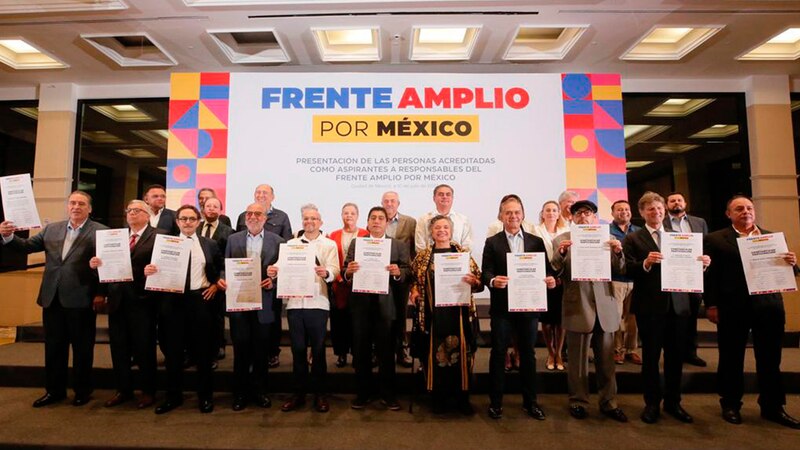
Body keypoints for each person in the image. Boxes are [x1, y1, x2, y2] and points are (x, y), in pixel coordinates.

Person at [0, 191, 108, 407]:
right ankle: (54, 391)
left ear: (90, 208)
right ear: (67, 206)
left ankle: (82, 390)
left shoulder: (101, 232)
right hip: (52, 298)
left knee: (82, 349)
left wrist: (101, 292)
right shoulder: (52, 228)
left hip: (82, 299)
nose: (76, 207)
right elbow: (27, 247)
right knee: (54, 348)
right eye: (72, 203)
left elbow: (109, 265)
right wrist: (8, 236)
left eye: (81, 203)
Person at [704, 195, 800, 429]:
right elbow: (710, 275)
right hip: (732, 308)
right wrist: (712, 305)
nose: (745, 211)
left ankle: (773, 406)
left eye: (748, 207)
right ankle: (730, 404)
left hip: (769, 307)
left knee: (770, 359)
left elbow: (788, 270)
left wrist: (793, 263)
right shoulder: (715, 239)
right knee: (731, 357)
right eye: (738, 208)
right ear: (729, 214)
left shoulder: (772, 238)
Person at [623, 192, 710, 425]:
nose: (656, 212)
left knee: (675, 358)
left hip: (678, 306)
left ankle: (673, 403)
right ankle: (652, 403)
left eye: (659, 208)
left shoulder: (680, 237)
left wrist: (702, 265)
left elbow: (690, 267)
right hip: (650, 308)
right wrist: (646, 263)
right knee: (651, 358)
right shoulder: (633, 239)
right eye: (650, 209)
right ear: (641, 213)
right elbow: (626, 269)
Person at [551, 200, 628, 422]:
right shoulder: (562, 240)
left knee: (606, 361)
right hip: (578, 304)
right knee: (577, 361)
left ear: (595, 217)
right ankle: (578, 401)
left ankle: (609, 403)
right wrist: (561, 253)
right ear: (572, 217)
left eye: (589, 213)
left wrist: (618, 253)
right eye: (579, 213)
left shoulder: (609, 239)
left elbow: (621, 269)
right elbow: (554, 270)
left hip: (605, 304)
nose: (584, 217)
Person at [482, 194, 555, 420]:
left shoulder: (536, 241)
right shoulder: (492, 242)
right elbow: (486, 272)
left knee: (528, 354)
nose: (513, 216)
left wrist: (551, 280)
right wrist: (494, 281)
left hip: (529, 306)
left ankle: (530, 402)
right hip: (502, 307)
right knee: (498, 353)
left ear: (522, 214)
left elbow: (547, 270)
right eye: (508, 212)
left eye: (516, 212)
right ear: (501, 216)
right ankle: (495, 403)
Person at [146, 205, 222, 414]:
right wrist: (149, 270)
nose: (187, 222)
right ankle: (173, 397)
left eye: (192, 219)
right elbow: (153, 268)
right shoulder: (164, 244)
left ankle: (205, 397)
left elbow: (218, 269)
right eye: (183, 219)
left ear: (198, 221)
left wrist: (216, 284)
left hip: (200, 301)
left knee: (203, 353)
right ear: (177, 222)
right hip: (173, 302)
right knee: (173, 353)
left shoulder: (211, 244)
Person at [89, 200, 163, 409]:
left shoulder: (159, 236)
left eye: (137, 210)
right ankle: (123, 390)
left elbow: (166, 267)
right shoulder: (116, 237)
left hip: (143, 301)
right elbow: (105, 270)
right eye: (129, 210)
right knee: (119, 348)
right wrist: (95, 266)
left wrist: (155, 270)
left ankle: (148, 391)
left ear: (147, 215)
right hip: (117, 301)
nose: (131, 214)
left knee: (144, 348)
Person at [410, 214, 483, 415]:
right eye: (437, 228)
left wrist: (474, 282)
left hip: (459, 314)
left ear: (451, 231)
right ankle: (438, 399)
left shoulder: (463, 255)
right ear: (431, 232)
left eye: (445, 227)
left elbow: (479, 282)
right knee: (435, 355)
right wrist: (414, 291)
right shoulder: (423, 256)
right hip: (433, 315)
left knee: (462, 355)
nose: (441, 230)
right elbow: (414, 280)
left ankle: (462, 399)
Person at [270, 204, 339, 413]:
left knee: (318, 351)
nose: (309, 222)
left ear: (320, 222)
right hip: (294, 303)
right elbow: (281, 267)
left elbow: (335, 269)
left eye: (313, 219)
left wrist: (326, 272)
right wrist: (273, 270)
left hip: (318, 302)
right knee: (297, 351)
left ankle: (320, 394)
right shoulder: (290, 244)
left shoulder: (329, 244)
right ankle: (298, 394)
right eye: (306, 219)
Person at [344, 206, 411, 411]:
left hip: (386, 307)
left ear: (386, 221)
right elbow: (347, 270)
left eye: (381, 218)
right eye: (372, 217)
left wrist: (398, 272)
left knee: (386, 352)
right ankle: (363, 394)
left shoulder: (398, 245)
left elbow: (408, 272)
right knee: (361, 352)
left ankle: (388, 395)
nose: (376, 221)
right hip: (361, 306)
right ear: (368, 221)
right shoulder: (358, 243)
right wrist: (349, 271)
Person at [218, 202, 283, 412]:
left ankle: (260, 392)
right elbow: (224, 267)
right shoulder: (233, 239)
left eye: (258, 213)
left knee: (261, 351)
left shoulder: (279, 241)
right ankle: (240, 394)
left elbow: (283, 273)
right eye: (249, 213)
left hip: (264, 303)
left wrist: (274, 282)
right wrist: (223, 279)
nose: (253, 217)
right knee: (241, 350)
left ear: (265, 218)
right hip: (239, 303)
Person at [235, 184, 292, 369]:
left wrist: (274, 279)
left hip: (268, 288)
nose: (252, 217)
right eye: (257, 192)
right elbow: (234, 256)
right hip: (242, 289)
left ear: (272, 197)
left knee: (270, 325)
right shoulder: (236, 232)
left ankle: (272, 353)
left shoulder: (282, 217)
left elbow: (286, 253)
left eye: (265, 193)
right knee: (243, 340)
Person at [664, 191, 709, 367]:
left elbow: (706, 245)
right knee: (674, 319)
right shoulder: (661, 222)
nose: (676, 203)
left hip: (694, 276)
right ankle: (674, 353)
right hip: (671, 275)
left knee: (691, 317)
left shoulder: (699, 222)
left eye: (679, 200)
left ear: (685, 203)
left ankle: (691, 353)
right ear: (667, 205)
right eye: (672, 201)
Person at [327, 203, 369, 368]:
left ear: (357, 216)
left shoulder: (366, 234)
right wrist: (340, 277)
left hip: (361, 285)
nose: (349, 216)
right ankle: (341, 354)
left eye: (352, 213)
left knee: (358, 322)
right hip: (340, 284)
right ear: (341, 215)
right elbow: (331, 259)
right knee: (340, 322)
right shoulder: (334, 235)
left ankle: (358, 355)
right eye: (346, 213)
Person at [531, 200, 570, 372]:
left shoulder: (567, 231)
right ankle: (550, 352)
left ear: (559, 213)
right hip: (542, 279)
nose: (551, 213)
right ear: (542, 213)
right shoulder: (535, 230)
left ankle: (559, 353)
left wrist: (560, 276)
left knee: (560, 320)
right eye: (548, 210)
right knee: (546, 321)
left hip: (562, 279)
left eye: (555, 210)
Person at [382, 191, 417, 368]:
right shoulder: (377, 220)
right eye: (386, 201)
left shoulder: (410, 222)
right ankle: (379, 351)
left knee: (401, 315)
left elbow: (414, 250)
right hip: (379, 276)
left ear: (398, 203)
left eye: (392, 201)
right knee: (381, 315)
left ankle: (401, 350)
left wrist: (410, 277)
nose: (389, 204)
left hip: (401, 275)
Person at [200, 196, 234, 361]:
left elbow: (228, 259)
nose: (211, 209)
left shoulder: (228, 231)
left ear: (220, 210)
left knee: (217, 316)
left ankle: (219, 345)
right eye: (208, 206)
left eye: (215, 206)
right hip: (197, 281)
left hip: (218, 281)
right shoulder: (196, 227)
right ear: (203, 209)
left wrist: (218, 282)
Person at [609, 200, 642, 365]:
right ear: (612, 213)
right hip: (616, 280)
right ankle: (617, 350)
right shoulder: (606, 232)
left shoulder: (639, 231)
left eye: (627, 209)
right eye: (619, 209)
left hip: (635, 280)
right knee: (616, 317)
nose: (624, 212)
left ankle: (631, 350)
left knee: (633, 319)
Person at [414, 184, 473, 253]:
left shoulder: (463, 220)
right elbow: (420, 246)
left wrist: (457, 260)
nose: (445, 197)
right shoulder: (424, 219)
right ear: (434, 198)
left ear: (452, 198)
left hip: (457, 262)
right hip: (429, 261)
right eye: (441, 194)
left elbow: (467, 246)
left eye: (448, 194)